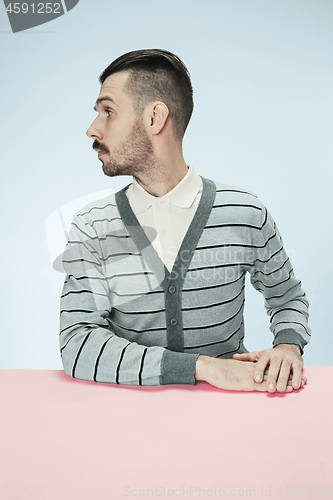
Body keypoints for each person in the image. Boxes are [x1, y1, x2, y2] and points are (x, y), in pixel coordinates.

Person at [59, 49, 310, 393]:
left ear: (155, 117)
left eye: (108, 111)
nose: (92, 129)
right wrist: (202, 368)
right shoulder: (93, 226)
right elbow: (77, 343)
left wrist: (287, 346)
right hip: (126, 420)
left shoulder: (244, 212)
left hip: (235, 418)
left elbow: (287, 297)